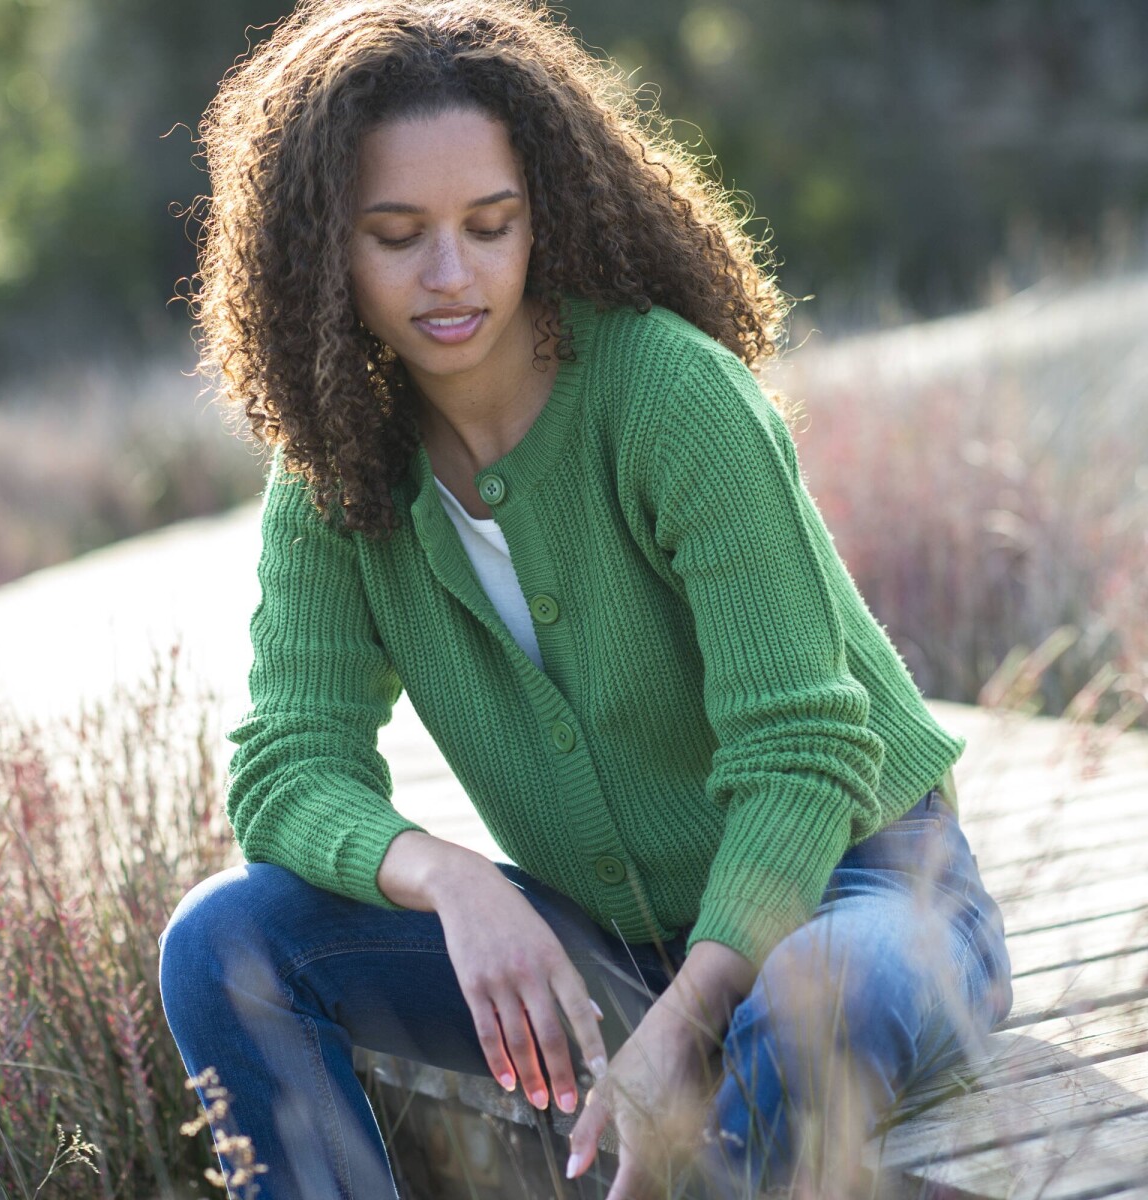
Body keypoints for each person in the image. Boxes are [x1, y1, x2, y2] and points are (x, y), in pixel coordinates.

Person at [157, 1, 1014, 1196]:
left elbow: (805, 751)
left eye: (489, 225)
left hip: (860, 893)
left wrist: (679, 1024)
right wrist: (449, 881)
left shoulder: (671, 398)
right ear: (322, 250)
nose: (451, 275)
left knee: (814, 1008)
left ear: (541, 216)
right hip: (611, 949)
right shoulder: (336, 473)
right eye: (397, 235)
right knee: (222, 945)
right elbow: (287, 768)